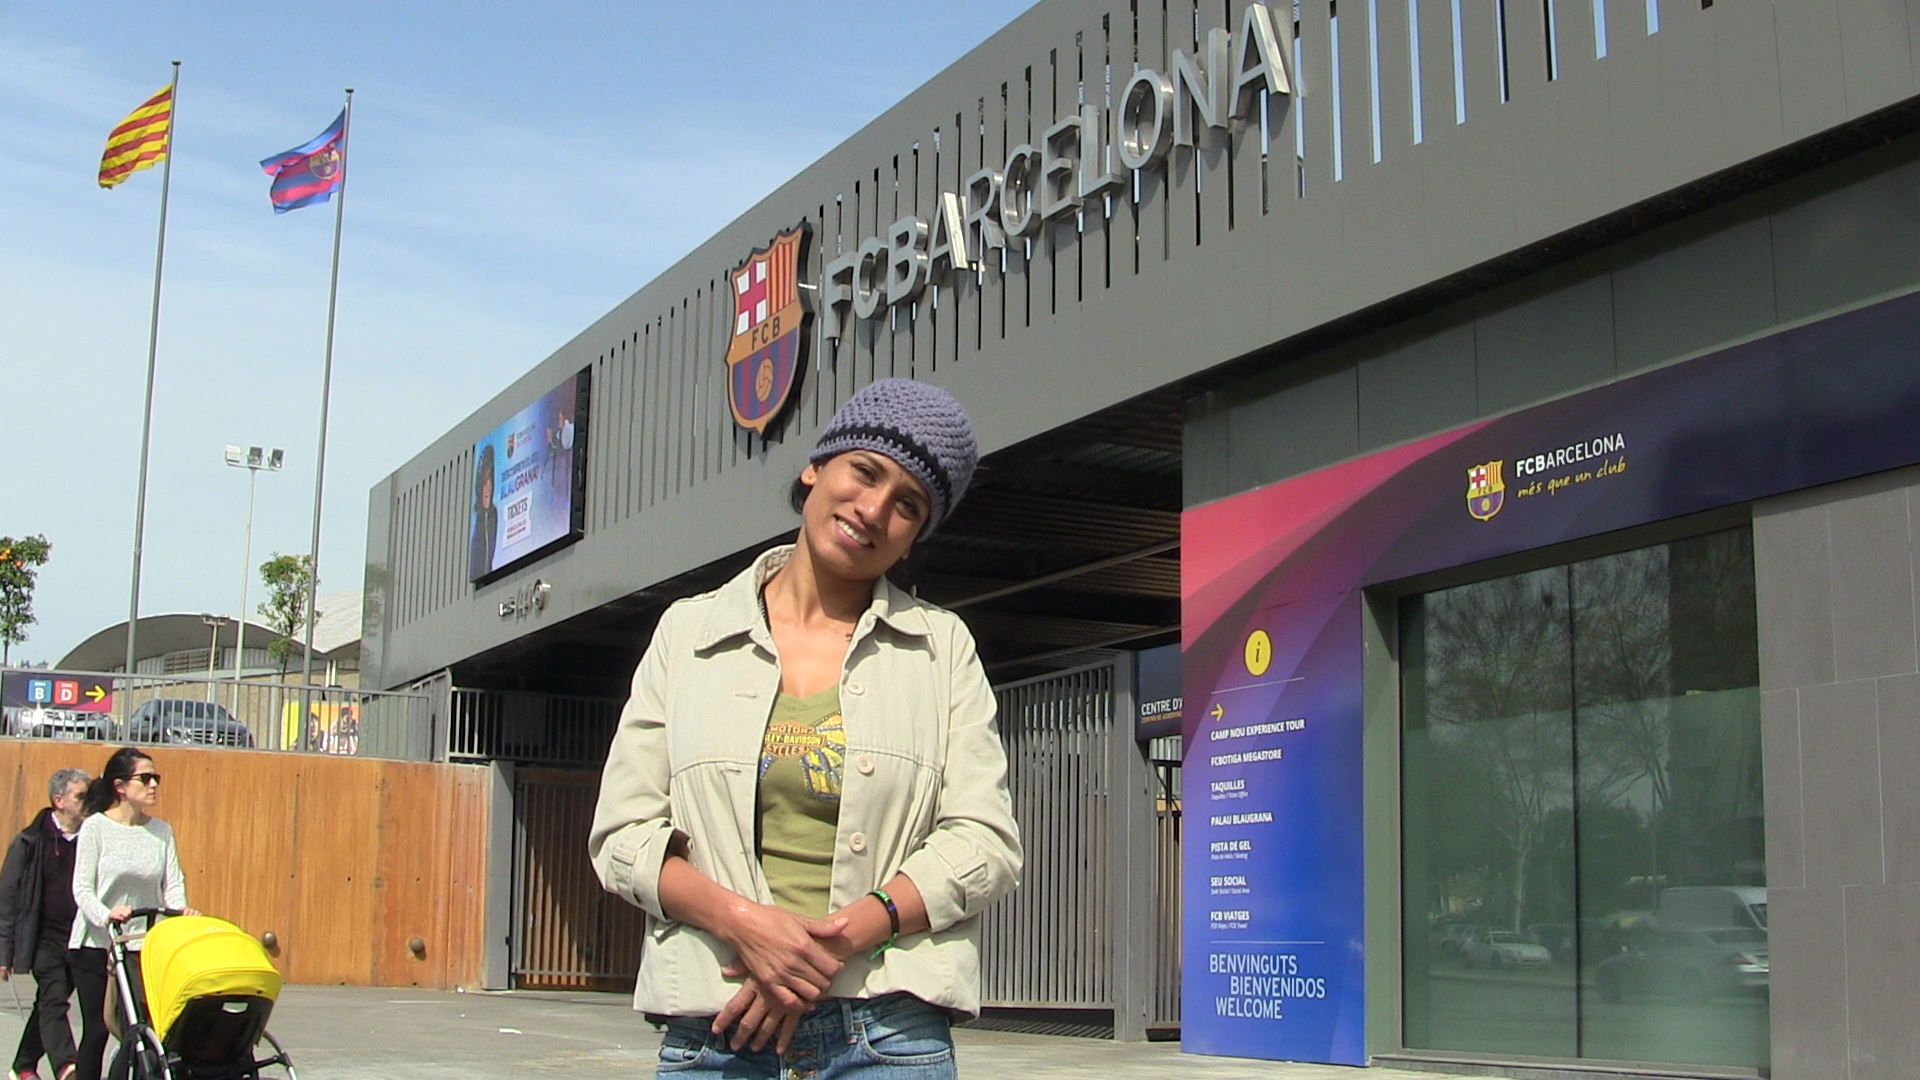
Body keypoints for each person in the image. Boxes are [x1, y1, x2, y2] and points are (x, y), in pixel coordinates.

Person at [591, 378, 1023, 1079]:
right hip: (717, 1028)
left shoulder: (942, 649)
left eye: (908, 504)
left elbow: (986, 842)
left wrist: (830, 945)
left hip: (886, 1033)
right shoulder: (689, 634)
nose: (874, 509)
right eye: (866, 471)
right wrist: (743, 924)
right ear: (816, 466)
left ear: (917, 533)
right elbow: (622, 836)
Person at [68, 749, 193, 1080]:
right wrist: (107, 915)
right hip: (95, 944)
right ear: (120, 786)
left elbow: (173, 885)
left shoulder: (161, 832)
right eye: (145, 778)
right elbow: (82, 889)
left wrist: (180, 911)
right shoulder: (96, 827)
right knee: (97, 1029)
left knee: (138, 1029)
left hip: (140, 946)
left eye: (156, 778)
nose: (153, 785)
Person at [0, 768, 90, 1080]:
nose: (87, 802)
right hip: (42, 939)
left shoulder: (91, 840)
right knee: (54, 997)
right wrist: (4, 951)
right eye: (80, 796)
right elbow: (8, 898)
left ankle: (23, 1067)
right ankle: (67, 1066)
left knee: (49, 1002)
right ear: (59, 801)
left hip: (78, 937)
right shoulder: (30, 840)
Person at [470, 442, 499, 579]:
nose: (487, 489)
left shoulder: (493, 514)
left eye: (490, 481)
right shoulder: (478, 522)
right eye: (484, 482)